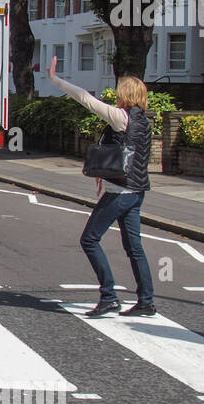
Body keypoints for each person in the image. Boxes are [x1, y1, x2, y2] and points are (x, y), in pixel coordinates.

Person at [48, 56, 155, 317]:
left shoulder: (121, 118)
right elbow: (130, 155)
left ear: (126, 95)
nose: (116, 97)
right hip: (136, 191)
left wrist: (55, 79)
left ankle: (109, 295)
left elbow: (86, 99)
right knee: (134, 247)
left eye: (119, 93)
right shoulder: (144, 122)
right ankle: (146, 301)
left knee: (89, 239)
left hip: (119, 192)